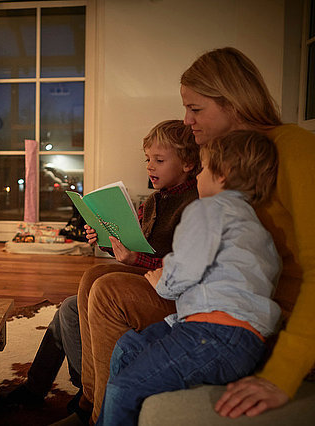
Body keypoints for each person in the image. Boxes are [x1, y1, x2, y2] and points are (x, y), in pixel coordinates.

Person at [73, 46, 315, 425]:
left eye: (196, 109)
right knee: (93, 277)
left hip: (247, 317)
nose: (186, 121)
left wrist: (282, 373)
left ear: (233, 102)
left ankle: (106, 411)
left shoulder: (293, 151)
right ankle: (94, 405)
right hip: (227, 292)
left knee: (109, 292)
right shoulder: (226, 168)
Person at [3, 120, 200, 414]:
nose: (150, 167)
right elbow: (136, 246)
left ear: (187, 163)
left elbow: (179, 265)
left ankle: (84, 396)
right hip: (145, 276)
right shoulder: (155, 200)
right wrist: (106, 240)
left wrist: (135, 259)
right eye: (148, 159)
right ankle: (58, 389)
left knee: (80, 300)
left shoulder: (194, 202)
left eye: (159, 160)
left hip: (169, 287)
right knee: (74, 300)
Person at [96, 130, 280, 425]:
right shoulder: (257, 228)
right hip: (244, 341)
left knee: (123, 387)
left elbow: (186, 268)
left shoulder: (209, 209)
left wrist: (162, 283)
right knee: (128, 346)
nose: (198, 175)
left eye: (204, 168)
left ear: (225, 174)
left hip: (214, 335)